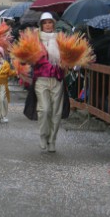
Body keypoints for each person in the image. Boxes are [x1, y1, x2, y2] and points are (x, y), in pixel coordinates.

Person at [33, 12, 65, 153]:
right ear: (41, 25)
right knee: (44, 109)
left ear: (53, 24)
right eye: (45, 22)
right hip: (42, 79)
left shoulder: (60, 39)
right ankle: (43, 135)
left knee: (56, 112)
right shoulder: (35, 39)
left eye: (50, 22)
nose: (47, 25)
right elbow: (29, 58)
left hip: (57, 78)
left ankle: (52, 140)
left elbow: (67, 56)